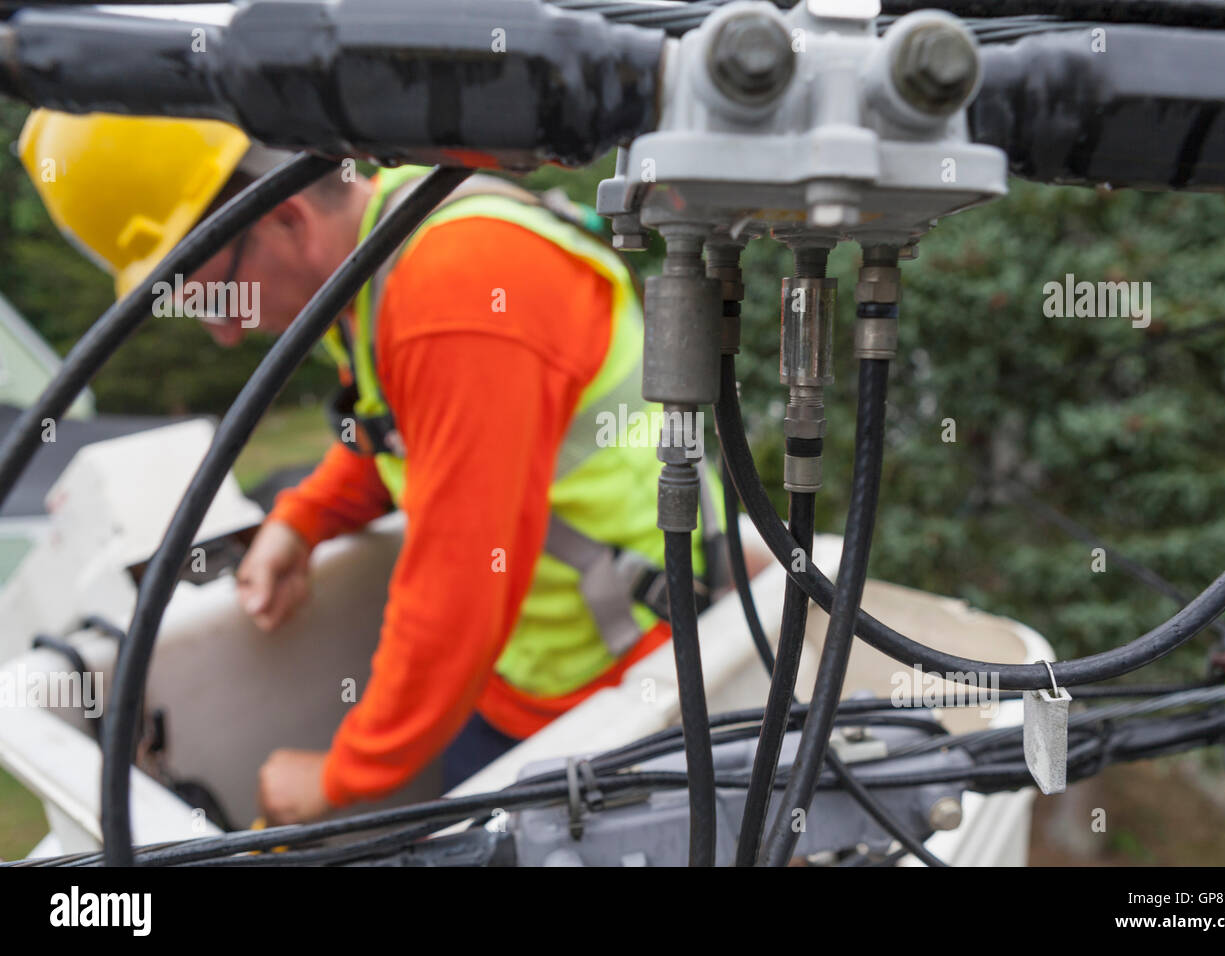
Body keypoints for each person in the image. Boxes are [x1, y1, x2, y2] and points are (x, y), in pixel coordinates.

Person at [21, 110, 726, 824]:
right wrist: (301, 520)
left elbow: (459, 584)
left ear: (289, 219)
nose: (226, 331)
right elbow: (399, 433)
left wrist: (340, 777)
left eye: (211, 294)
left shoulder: (457, 287)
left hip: (625, 701)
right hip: (521, 688)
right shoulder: (395, 242)